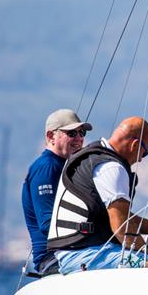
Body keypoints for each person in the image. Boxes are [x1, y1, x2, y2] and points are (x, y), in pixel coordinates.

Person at [47, 116, 148, 273]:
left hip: (77, 254)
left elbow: (121, 217)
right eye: (144, 153)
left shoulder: (94, 157)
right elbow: (122, 226)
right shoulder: (111, 168)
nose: (139, 159)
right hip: (85, 257)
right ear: (135, 145)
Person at [22, 108, 91, 274]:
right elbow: (47, 225)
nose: (79, 138)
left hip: (71, 253)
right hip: (52, 259)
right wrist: (91, 228)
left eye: (82, 133)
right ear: (51, 137)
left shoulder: (65, 166)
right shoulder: (46, 168)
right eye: (72, 133)